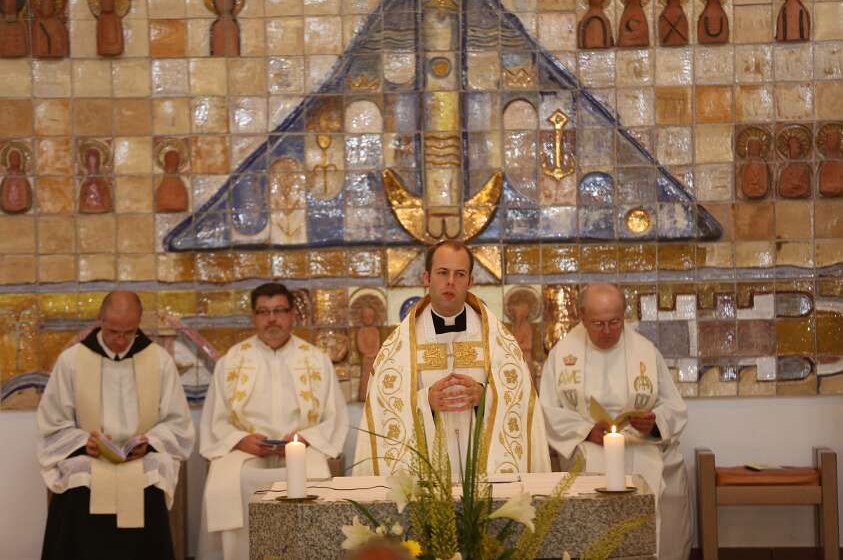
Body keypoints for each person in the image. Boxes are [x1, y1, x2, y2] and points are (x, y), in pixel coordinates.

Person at [353, 240, 550, 477]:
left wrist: (485, 397)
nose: (450, 281)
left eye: (460, 274)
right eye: (442, 272)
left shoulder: (497, 340)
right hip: (427, 467)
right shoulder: (399, 345)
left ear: (470, 281)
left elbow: (521, 400)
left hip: (483, 469)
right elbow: (383, 407)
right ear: (427, 278)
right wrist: (425, 401)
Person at [36, 291, 195, 560]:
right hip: (89, 457)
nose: (120, 341)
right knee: (77, 484)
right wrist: (82, 442)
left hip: (141, 459)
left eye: (128, 332)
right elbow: (52, 423)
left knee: (152, 483)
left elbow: (178, 422)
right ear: (100, 320)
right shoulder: (72, 361)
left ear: (139, 324)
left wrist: (150, 442)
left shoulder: (159, 360)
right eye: (113, 332)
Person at [540, 283, 691, 560]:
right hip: (587, 446)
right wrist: (586, 431)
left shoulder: (645, 351)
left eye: (615, 322)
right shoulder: (562, 355)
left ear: (624, 315)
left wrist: (653, 424)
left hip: (641, 442)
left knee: (662, 474)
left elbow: (674, 406)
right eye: (598, 323)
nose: (607, 331)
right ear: (582, 316)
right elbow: (547, 410)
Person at [199, 282, 349, 560]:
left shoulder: (316, 360)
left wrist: (304, 439)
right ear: (254, 317)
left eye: (279, 310)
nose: (272, 319)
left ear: (292, 314)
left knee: (314, 477)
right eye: (263, 312)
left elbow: (334, 417)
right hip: (247, 452)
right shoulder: (231, 361)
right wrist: (240, 440)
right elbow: (215, 420)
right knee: (228, 481)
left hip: (301, 450)